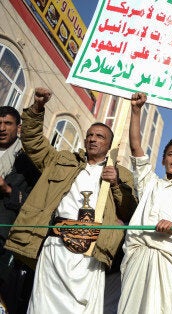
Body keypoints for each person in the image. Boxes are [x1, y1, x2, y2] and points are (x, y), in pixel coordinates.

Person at [4, 87, 137, 313]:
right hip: (55, 246)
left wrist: (115, 184)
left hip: (90, 253)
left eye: (100, 137)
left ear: (110, 145)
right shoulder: (62, 160)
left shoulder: (121, 174)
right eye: (90, 135)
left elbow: (129, 211)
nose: (93, 139)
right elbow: (33, 141)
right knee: (43, 306)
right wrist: (37, 108)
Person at [117, 93, 172, 313]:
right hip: (138, 253)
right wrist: (135, 111)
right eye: (171, 154)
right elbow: (135, 148)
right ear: (163, 159)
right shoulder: (149, 182)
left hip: (168, 258)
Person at [0, 106, 40, 313]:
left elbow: (36, 205)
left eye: (7, 123)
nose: (2, 128)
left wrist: (7, 189)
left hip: (6, 237)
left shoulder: (29, 161)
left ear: (19, 128)